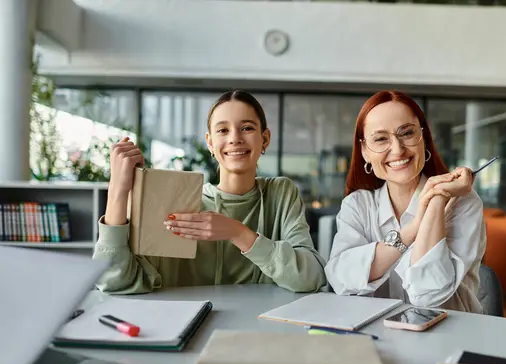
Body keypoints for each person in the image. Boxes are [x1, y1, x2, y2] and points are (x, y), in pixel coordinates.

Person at [94, 90, 327, 294]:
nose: (235, 138)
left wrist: (237, 232)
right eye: (223, 130)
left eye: (246, 128)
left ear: (264, 139)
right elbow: (112, 281)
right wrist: (118, 189)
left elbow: (312, 278)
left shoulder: (280, 193)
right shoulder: (177, 199)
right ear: (210, 143)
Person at [324, 90, 486, 313]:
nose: (398, 149)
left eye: (407, 133)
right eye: (381, 139)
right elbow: (340, 277)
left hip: (449, 337)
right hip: (376, 336)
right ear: (364, 151)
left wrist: (438, 198)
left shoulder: (462, 202)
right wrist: (412, 230)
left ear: (423, 138)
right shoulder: (358, 205)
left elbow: (429, 294)